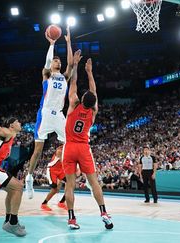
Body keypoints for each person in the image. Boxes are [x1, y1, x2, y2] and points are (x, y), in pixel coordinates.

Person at [62, 54, 113, 230]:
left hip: (69, 147)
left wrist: (75, 65)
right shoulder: (93, 111)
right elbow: (94, 92)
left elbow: (73, 83)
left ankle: (71, 219)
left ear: (82, 99)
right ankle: (104, 213)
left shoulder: (73, 104)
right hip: (83, 147)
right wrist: (90, 72)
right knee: (94, 182)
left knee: (70, 185)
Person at [25, 26, 73, 199]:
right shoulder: (47, 74)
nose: (57, 62)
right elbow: (46, 63)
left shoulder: (64, 77)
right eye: (55, 61)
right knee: (38, 150)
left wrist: (68, 43)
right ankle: (29, 178)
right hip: (45, 114)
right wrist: (52, 44)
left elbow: (71, 64)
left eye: (58, 62)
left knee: (71, 143)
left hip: (59, 114)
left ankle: (70, 177)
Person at [41, 145, 67, 211]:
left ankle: (61, 202)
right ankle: (44, 204)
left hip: (60, 170)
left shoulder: (69, 148)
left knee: (71, 184)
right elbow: (64, 161)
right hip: (52, 170)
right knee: (55, 189)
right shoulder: (60, 150)